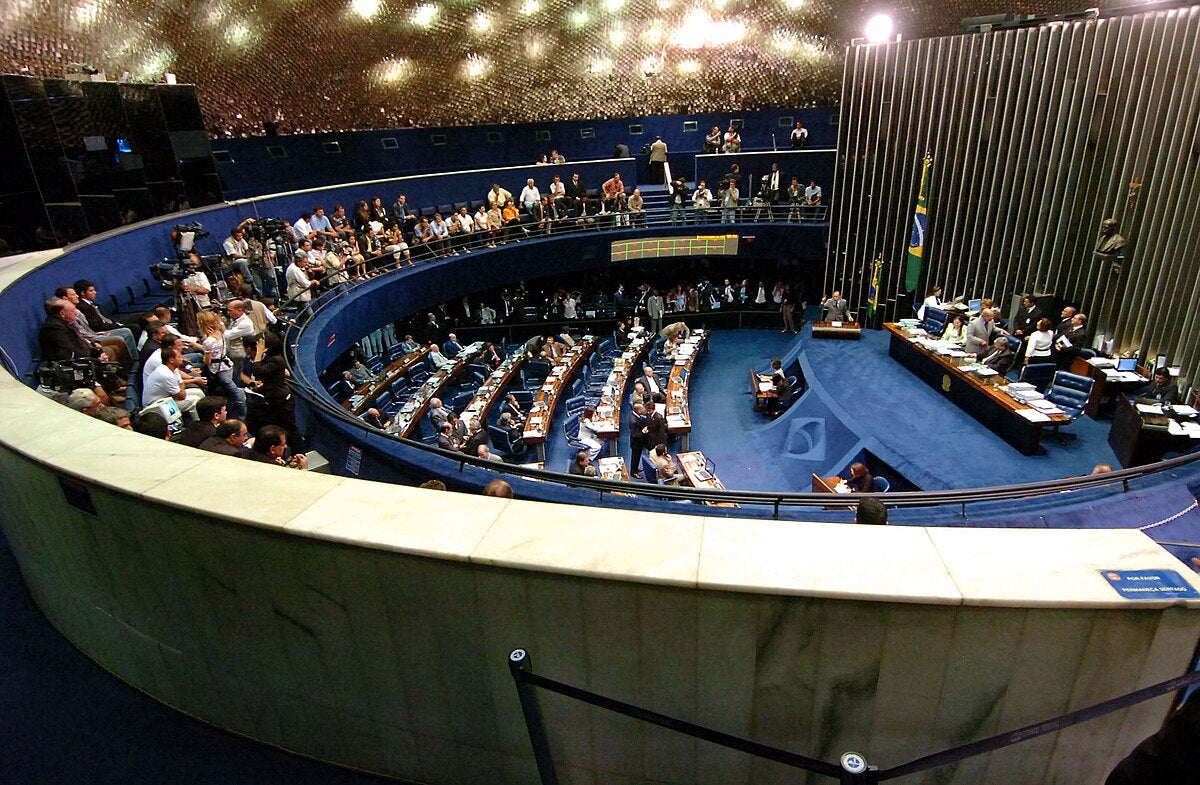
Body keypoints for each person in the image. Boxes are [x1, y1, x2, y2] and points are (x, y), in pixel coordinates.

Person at [196, 310, 247, 421]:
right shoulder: (219, 332)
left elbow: (207, 361)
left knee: (235, 393)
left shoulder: (208, 341)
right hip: (226, 364)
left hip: (219, 370)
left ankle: (243, 415)